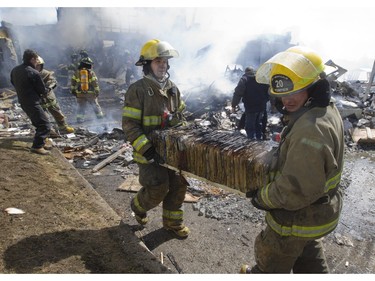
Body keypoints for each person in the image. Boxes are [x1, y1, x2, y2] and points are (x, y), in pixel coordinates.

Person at [240, 46, 345, 273]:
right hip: (316, 213)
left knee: (271, 266)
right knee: (309, 259)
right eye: (282, 94)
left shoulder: (311, 130)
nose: (286, 101)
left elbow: (294, 190)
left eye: (293, 92)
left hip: (296, 218)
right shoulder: (326, 109)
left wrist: (261, 197)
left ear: (313, 88)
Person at [122, 39, 190, 239]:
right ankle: (138, 206)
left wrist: (183, 130)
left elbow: (181, 117)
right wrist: (148, 151)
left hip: (173, 153)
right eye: (158, 60)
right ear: (147, 65)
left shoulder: (173, 89)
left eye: (165, 61)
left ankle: (172, 223)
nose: (163, 64)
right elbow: (130, 126)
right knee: (158, 188)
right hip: (149, 155)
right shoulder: (138, 90)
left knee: (179, 186)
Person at [10, 49, 52, 155]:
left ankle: (41, 142)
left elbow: (13, 82)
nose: (38, 61)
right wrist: (50, 87)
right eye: (37, 59)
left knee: (38, 122)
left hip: (23, 101)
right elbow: (42, 90)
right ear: (32, 59)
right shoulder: (34, 73)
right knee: (44, 124)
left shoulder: (15, 70)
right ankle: (37, 147)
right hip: (32, 102)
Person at [35, 56, 75, 134]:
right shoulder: (30, 74)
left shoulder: (45, 73)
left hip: (49, 98)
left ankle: (63, 128)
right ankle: (47, 132)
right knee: (44, 117)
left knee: (58, 114)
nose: (37, 67)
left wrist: (49, 87)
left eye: (39, 66)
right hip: (39, 100)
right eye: (36, 66)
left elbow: (53, 81)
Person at [231, 66, 270, 140]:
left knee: (250, 127)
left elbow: (238, 93)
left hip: (251, 107)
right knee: (258, 124)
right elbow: (269, 91)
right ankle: (259, 140)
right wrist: (271, 103)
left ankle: (252, 143)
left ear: (246, 72)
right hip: (261, 106)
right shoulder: (262, 78)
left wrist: (233, 105)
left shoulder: (244, 79)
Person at [70, 57, 104, 123]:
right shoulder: (90, 72)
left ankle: (79, 119)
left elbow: (73, 82)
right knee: (95, 105)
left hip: (80, 93)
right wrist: (97, 91)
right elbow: (95, 82)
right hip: (90, 93)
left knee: (81, 106)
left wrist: (73, 90)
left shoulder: (77, 72)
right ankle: (100, 118)